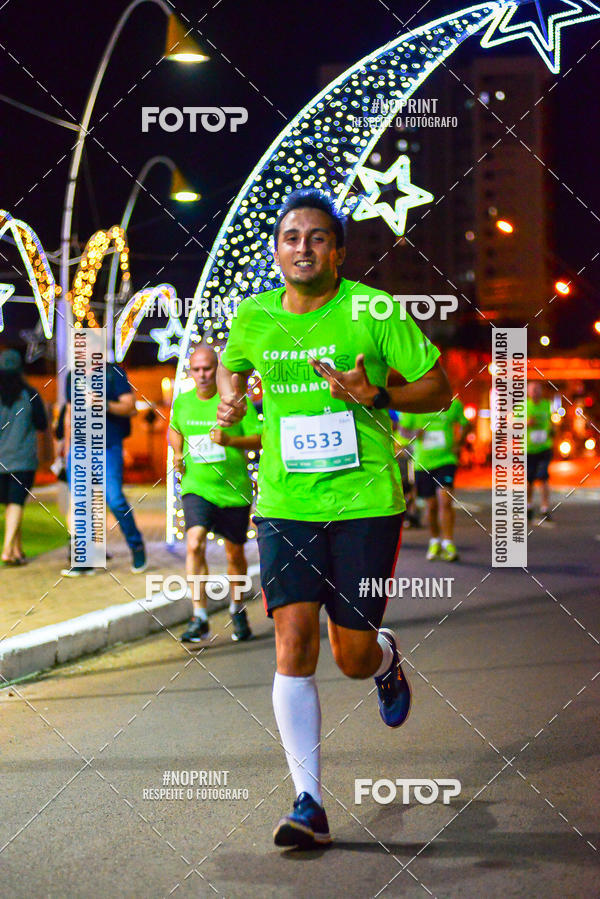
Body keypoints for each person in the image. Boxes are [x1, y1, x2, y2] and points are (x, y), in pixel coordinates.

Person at [216, 188, 451, 848]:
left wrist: (378, 393)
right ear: (276, 249)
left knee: (348, 657)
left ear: (339, 251)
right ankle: (308, 801)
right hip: (286, 504)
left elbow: (439, 388)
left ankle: (382, 659)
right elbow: (235, 373)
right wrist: (233, 405)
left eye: (317, 237)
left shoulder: (372, 310)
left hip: (365, 502)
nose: (303, 247)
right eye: (291, 236)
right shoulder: (254, 316)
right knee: (293, 641)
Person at [169, 345, 262, 643]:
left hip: (234, 491)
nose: (202, 375)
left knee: (234, 552)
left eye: (208, 368)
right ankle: (199, 616)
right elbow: (175, 429)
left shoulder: (232, 402)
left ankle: (237, 608)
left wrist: (231, 440)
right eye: (196, 369)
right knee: (194, 543)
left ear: (216, 367)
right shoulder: (183, 402)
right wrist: (177, 453)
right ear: (190, 371)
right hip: (197, 487)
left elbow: (260, 439)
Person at [61, 362, 146, 576]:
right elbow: (70, 412)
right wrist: (66, 448)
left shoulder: (112, 372)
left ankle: (136, 545)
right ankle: (86, 558)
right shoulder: (73, 375)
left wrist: (103, 403)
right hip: (79, 448)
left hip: (107, 446)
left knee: (115, 499)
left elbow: (130, 407)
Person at [399, 397, 469, 561]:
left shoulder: (453, 404)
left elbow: (466, 424)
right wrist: (414, 434)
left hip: (446, 460)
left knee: (445, 500)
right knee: (431, 506)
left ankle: (448, 543)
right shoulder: (414, 405)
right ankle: (435, 540)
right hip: (422, 463)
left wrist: (459, 443)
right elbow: (402, 430)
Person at [0, 348, 48, 564]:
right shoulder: (30, 394)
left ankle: (17, 551)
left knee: (11, 505)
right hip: (23, 460)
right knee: (17, 503)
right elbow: (42, 424)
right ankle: (7, 549)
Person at [527, 381, 554, 521]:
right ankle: (528, 506)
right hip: (528, 449)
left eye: (538, 389)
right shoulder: (522, 407)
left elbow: (552, 421)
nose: (536, 392)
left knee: (543, 477)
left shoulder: (546, 405)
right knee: (529, 480)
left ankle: (545, 508)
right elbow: (511, 424)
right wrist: (525, 423)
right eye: (533, 390)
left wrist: (553, 430)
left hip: (544, 447)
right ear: (528, 392)